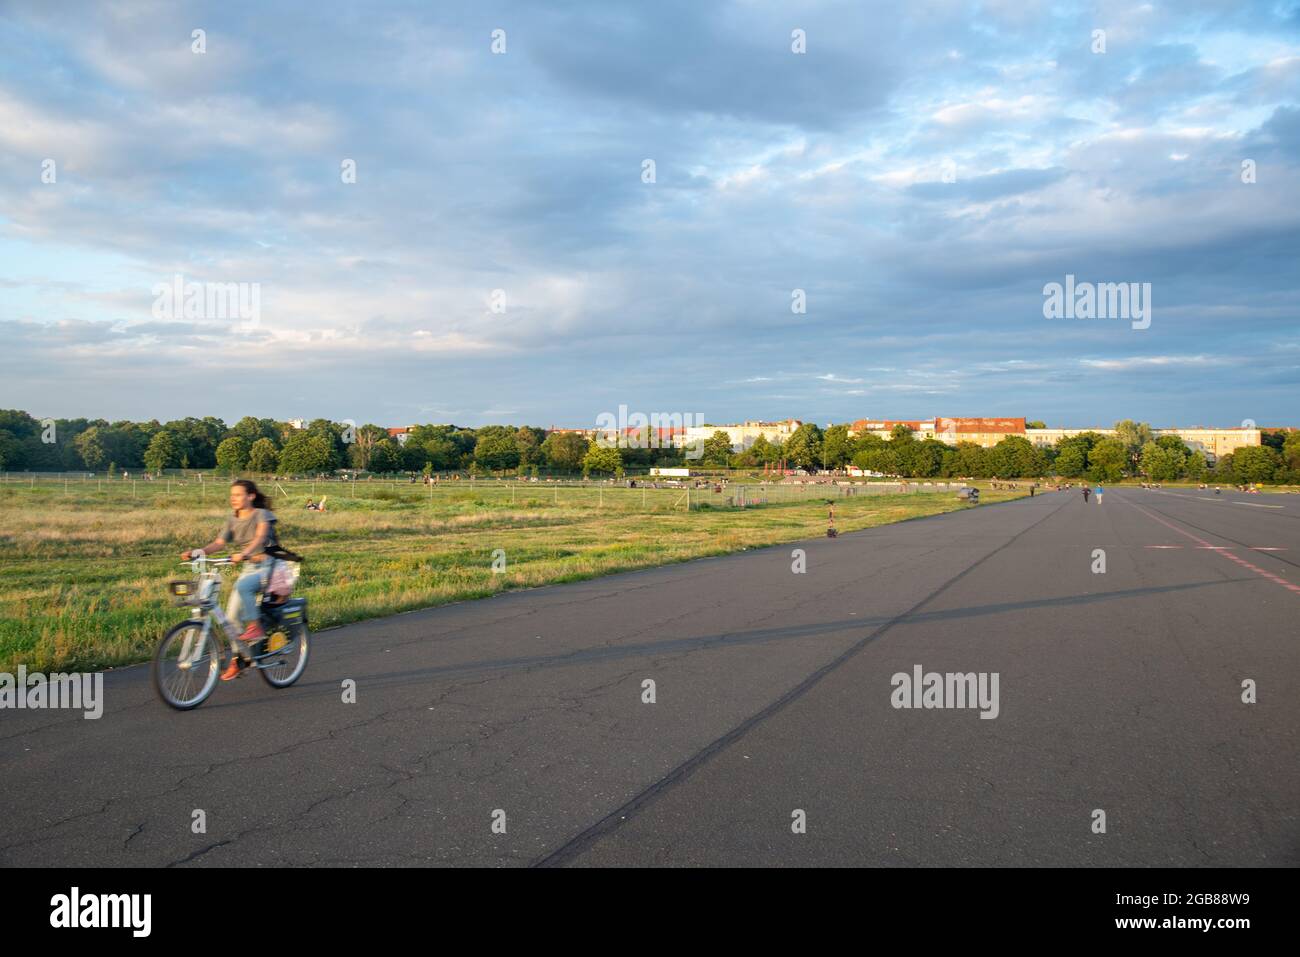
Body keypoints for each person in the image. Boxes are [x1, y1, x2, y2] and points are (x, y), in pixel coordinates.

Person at [182, 479, 280, 681]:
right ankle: (241, 659)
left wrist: (244, 553)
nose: (233, 499)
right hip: (250, 567)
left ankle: (255, 627)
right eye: (231, 495)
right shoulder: (232, 519)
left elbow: (260, 538)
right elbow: (219, 543)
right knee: (231, 618)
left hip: (270, 567)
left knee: (242, 585)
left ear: (250, 496)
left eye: (238, 494)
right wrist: (198, 552)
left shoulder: (261, 514)